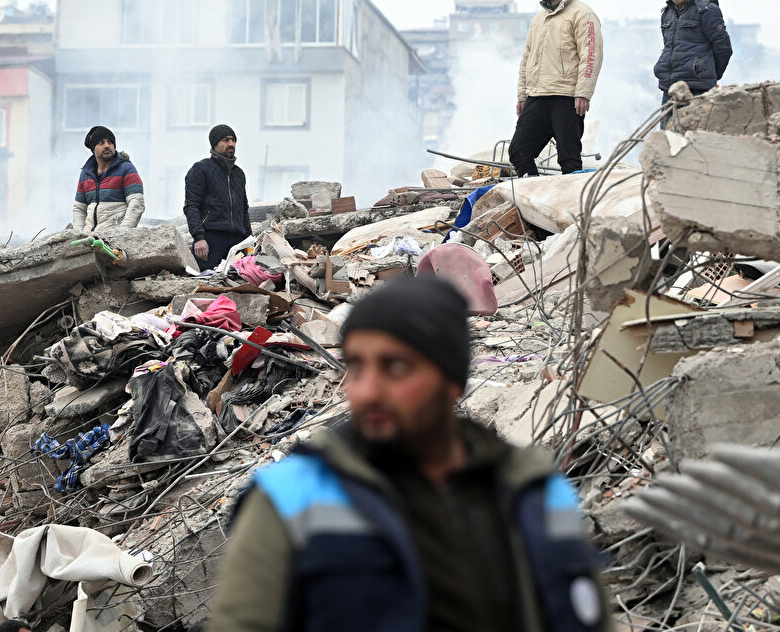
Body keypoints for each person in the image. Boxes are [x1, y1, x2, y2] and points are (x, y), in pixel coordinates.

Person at [208, 277, 612, 632]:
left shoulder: (535, 491)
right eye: (357, 367)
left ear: (451, 379)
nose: (366, 391)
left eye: (395, 367)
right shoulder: (290, 498)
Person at [511, 0, 604, 177]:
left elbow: (591, 54)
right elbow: (527, 59)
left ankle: (570, 206)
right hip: (537, 96)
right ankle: (535, 198)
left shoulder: (583, 14)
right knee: (519, 151)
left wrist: (583, 92)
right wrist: (522, 95)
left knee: (569, 159)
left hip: (566, 97)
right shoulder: (538, 19)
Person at [653, 0, 733, 128]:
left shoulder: (707, 10)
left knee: (692, 139)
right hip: (670, 90)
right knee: (668, 140)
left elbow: (723, 48)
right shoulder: (667, 13)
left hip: (697, 90)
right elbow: (669, 46)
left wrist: (708, 75)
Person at [183, 124, 250, 271]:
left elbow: (244, 210)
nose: (231, 144)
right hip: (211, 240)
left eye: (233, 140)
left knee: (238, 283)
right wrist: (199, 238)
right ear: (215, 144)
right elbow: (191, 206)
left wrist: (249, 242)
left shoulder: (239, 175)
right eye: (226, 140)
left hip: (237, 242)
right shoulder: (201, 169)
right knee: (208, 284)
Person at [72, 125, 145, 233]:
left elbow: (136, 203)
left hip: (114, 240)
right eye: (101, 142)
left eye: (110, 142)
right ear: (93, 148)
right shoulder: (85, 174)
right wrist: (80, 235)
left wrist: (122, 234)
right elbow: (79, 209)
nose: (107, 146)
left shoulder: (126, 169)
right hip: (89, 239)